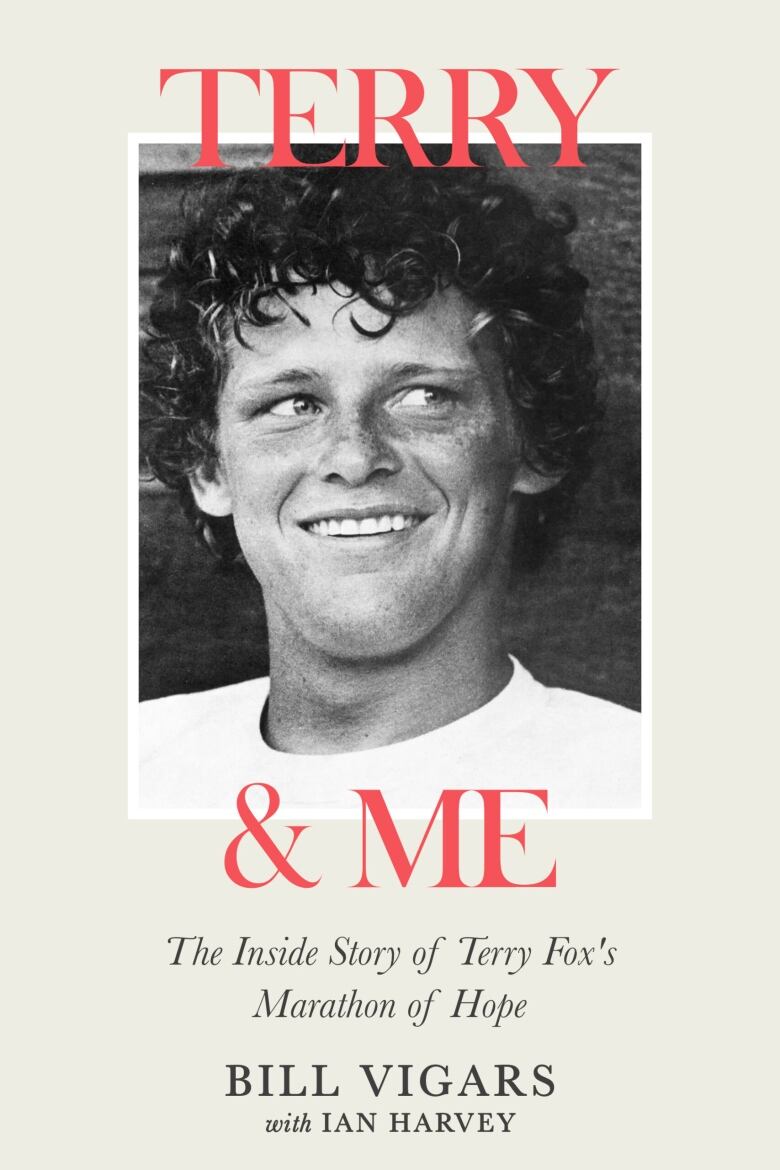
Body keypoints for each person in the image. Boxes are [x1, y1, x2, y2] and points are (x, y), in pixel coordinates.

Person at [138, 157, 640, 814]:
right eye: (293, 404)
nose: (353, 456)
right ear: (209, 467)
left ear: (534, 443)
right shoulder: (126, 770)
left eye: (424, 395)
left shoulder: (638, 783)